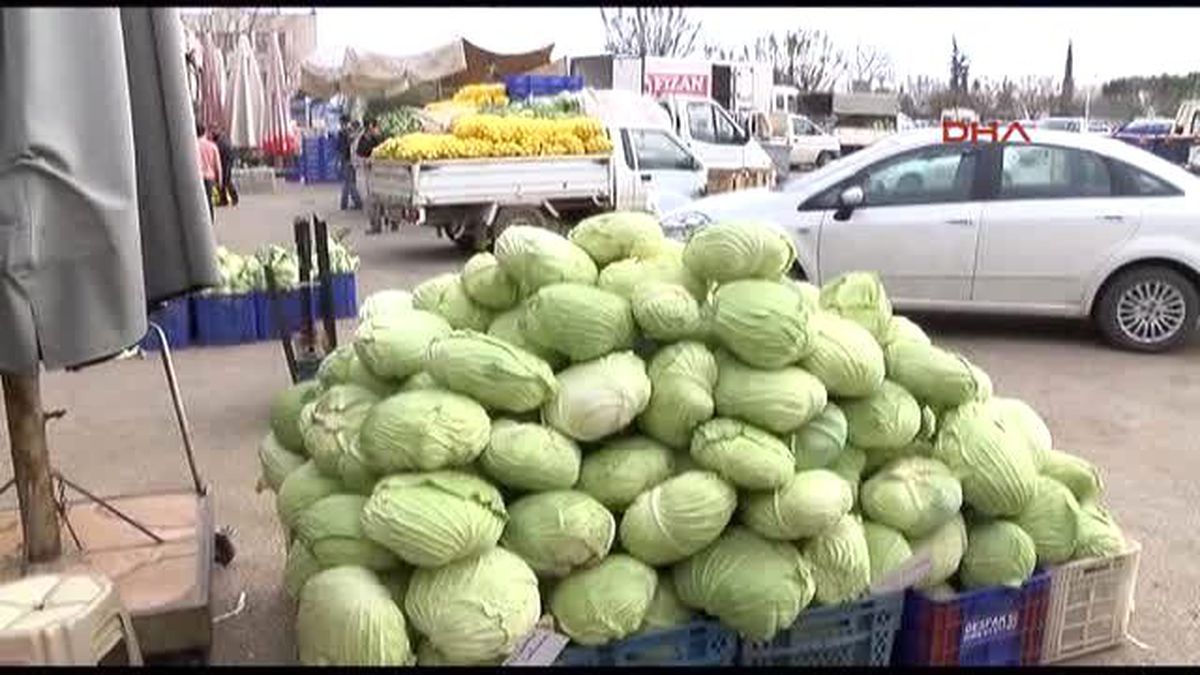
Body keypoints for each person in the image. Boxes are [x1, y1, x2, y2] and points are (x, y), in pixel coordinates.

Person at [196, 123, 221, 224]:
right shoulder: (212, 146)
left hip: (198, 177)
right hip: (210, 177)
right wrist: (220, 181)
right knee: (209, 201)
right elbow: (218, 166)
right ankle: (209, 222)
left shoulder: (193, 145)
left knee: (198, 202)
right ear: (205, 132)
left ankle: (200, 222)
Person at [338, 115, 363, 211]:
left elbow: (341, 148)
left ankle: (347, 203)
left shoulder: (344, 133)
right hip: (349, 160)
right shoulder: (346, 133)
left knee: (348, 182)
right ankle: (356, 202)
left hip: (347, 160)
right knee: (350, 182)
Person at [212, 127, 238, 207]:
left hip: (225, 164)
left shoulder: (220, 142)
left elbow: (221, 154)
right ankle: (226, 199)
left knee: (225, 181)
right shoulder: (224, 140)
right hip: (226, 163)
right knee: (225, 181)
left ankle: (229, 199)